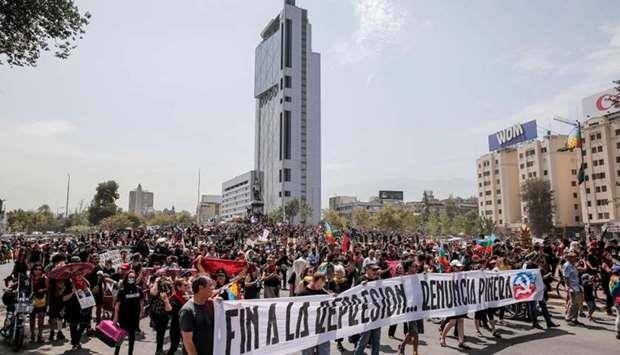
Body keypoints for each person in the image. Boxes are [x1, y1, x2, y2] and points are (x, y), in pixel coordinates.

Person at [179, 275, 216, 355]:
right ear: (200, 288)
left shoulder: (210, 304)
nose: (213, 288)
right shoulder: (187, 311)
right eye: (210, 285)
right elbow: (188, 341)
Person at [297, 272, 330, 355]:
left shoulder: (324, 293)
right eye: (319, 285)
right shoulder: (302, 294)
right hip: (308, 329)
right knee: (307, 352)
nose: (321, 287)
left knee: (324, 352)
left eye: (322, 285)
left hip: (322, 328)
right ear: (313, 281)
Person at [354, 262, 381, 355]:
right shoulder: (361, 279)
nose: (375, 272)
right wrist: (360, 286)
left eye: (376, 270)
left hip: (377, 314)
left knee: (376, 340)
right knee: (364, 339)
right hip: (366, 315)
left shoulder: (378, 279)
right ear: (367, 270)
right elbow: (354, 295)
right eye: (373, 270)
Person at [113, 271, 143, 355]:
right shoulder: (122, 290)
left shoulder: (138, 289)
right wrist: (115, 318)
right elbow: (117, 305)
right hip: (123, 318)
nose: (131, 279)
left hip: (134, 318)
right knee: (121, 336)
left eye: (133, 277)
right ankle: (116, 353)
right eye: (130, 277)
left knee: (132, 338)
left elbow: (141, 301)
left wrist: (141, 312)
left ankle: (130, 353)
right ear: (126, 278)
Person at [150, 276, 173, 355]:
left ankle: (159, 349)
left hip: (163, 312)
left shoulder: (165, 285)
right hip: (158, 312)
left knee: (160, 332)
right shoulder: (156, 285)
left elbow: (172, 294)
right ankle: (159, 349)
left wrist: (157, 282)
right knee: (160, 332)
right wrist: (156, 282)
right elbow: (153, 293)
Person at [167, 278, 188, 355]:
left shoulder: (185, 295)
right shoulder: (174, 298)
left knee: (187, 346)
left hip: (185, 325)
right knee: (174, 346)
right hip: (176, 326)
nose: (187, 286)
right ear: (179, 287)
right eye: (185, 285)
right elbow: (171, 312)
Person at [562, 251, 584, 325]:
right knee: (573, 303)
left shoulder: (573, 265)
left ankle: (575, 318)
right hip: (572, 286)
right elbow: (566, 278)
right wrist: (568, 287)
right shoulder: (567, 266)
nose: (575, 258)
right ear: (570, 258)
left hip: (576, 285)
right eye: (574, 257)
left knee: (577, 303)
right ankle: (568, 318)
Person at [29, 262, 47, 343]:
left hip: (41, 300)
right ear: (33, 270)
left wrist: (43, 290)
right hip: (31, 300)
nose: (38, 271)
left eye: (40, 269)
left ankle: (40, 335)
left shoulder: (44, 278)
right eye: (36, 269)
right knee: (32, 319)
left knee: (41, 319)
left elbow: (48, 288)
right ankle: (32, 335)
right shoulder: (30, 278)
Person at [609, 264, 620, 340]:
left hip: (616, 299)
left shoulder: (611, 279)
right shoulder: (618, 279)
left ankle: (618, 331)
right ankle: (618, 331)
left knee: (618, 315)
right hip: (619, 298)